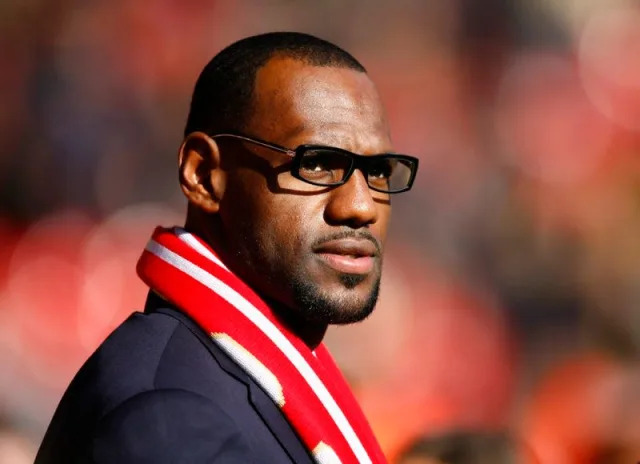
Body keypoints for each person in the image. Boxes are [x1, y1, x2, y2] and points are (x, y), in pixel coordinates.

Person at [35, 32, 419, 463]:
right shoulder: (170, 422)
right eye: (316, 164)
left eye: (379, 171)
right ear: (203, 175)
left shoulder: (235, 382)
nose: (361, 206)